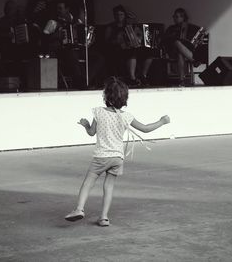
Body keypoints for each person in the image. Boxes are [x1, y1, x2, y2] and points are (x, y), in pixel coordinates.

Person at [65, 77, 170, 226]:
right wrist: (162, 121)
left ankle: (79, 209)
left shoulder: (98, 112)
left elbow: (91, 132)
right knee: (109, 187)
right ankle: (104, 217)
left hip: (101, 156)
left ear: (105, 96)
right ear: (125, 99)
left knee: (88, 182)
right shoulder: (126, 116)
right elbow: (145, 129)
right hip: (117, 158)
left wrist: (86, 125)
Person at [104, 5, 154, 86]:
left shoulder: (129, 25)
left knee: (150, 53)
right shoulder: (110, 27)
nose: (119, 16)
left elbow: (140, 35)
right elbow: (107, 42)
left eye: (121, 14)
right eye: (117, 14)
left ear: (124, 15)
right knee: (132, 52)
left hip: (133, 47)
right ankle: (132, 78)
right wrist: (117, 40)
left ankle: (143, 75)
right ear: (114, 16)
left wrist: (138, 38)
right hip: (119, 49)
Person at [163, 8, 202, 86]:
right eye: (175, 16)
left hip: (184, 51)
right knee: (177, 42)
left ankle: (181, 80)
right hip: (172, 51)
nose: (176, 18)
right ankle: (193, 61)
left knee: (180, 53)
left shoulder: (188, 27)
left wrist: (199, 39)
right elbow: (165, 41)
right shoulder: (171, 28)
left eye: (178, 17)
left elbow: (193, 42)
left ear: (183, 18)